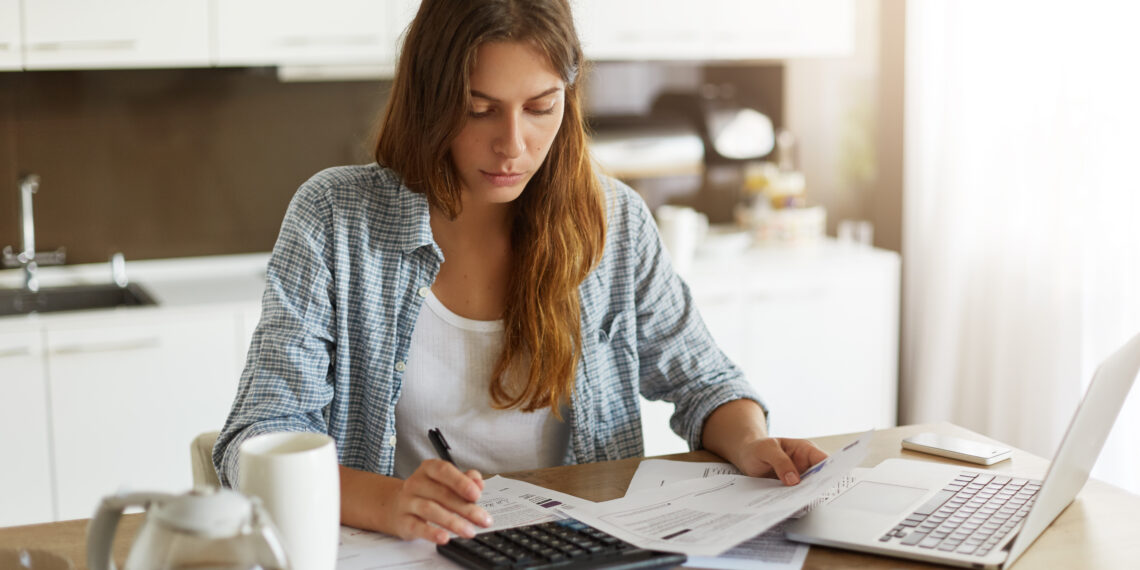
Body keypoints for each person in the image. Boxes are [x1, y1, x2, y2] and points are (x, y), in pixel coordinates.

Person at [214, 0, 827, 546]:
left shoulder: (613, 223)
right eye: (480, 110)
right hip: (408, 551)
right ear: (431, 101)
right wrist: (391, 502)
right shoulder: (334, 219)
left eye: (540, 108)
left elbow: (705, 382)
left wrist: (750, 441)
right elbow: (254, 441)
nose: (513, 144)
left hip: (579, 549)